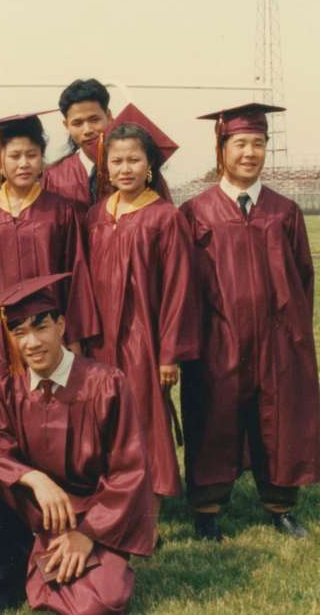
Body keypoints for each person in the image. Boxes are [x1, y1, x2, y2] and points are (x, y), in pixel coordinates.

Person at [0, 274, 157, 615]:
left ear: (61, 326)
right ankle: (12, 570)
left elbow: (129, 471)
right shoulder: (4, 383)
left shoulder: (106, 385)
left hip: (92, 516)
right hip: (30, 510)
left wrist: (88, 534)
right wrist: (34, 479)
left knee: (101, 602)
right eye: (19, 332)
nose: (31, 342)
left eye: (40, 327)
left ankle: (47, 565)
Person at [179, 102, 320, 541]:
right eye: (240, 143)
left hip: (278, 339)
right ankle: (208, 511)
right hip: (218, 339)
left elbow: (303, 277)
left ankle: (280, 506)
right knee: (214, 418)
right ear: (221, 148)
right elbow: (185, 284)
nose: (249, 152)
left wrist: (295, 333)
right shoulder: (196, 212)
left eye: (258, 144)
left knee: (277, 418)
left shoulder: (284, 212)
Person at [85, 105, 198, 507]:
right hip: (101, 340)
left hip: (143, 339)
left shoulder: (165, 217)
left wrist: (170, 354)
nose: (125, 168)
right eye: (116, 161)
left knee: (144, 418)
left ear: (150, 164)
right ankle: (111, 495)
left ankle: (147, 504)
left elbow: (178, 290)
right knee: (103, 416)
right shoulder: (96, 215)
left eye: (134, 159)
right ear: (106, 166)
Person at [0, 109, 99, 422]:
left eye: (32, 155)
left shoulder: (62, 212)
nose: (24, 163)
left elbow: (77, 276)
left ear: (42, 158)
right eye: (15, 156)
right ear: (0, 158)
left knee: (53, 410)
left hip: (49, 333)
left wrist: (75, 337)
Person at [40, 78, 114, 210]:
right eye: (77, 123)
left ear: (108, 116)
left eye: (94, 119)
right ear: (66, 125)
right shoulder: (54, 177)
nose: (87, 130)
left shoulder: (134, 169)